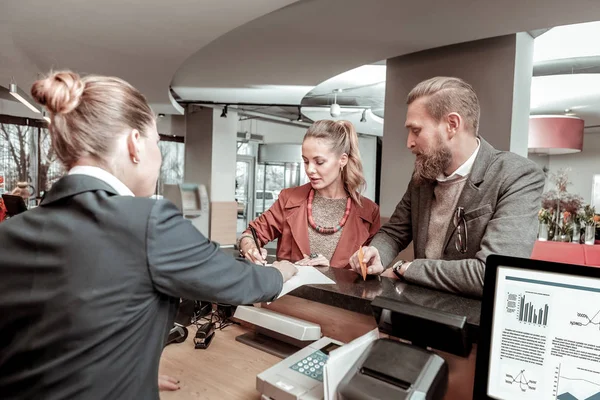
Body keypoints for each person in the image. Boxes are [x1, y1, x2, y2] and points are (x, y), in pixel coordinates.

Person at [0, 70, 297, 400]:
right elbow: (240, 282)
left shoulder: (9, 232)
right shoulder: (147, 221)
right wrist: (283, 271)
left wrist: (126, 370)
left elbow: (56, 336)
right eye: (157, 143)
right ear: (134, 144)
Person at [349, 76, 545, 297]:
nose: (409, 143)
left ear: (452, 125)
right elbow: (394, 232)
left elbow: (493, 273)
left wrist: (405, 268)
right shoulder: (424, 175)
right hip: (418, 311)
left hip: (472, 323)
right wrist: (376, 253)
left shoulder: (516, 175)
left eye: (416, 130)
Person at [239, 120, 380, 268]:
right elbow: (250, 234)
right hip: (291, 292)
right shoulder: (288, 199)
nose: (310, 170)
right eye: (306, 161)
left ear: (342, 160)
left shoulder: (369, 212)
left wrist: (330, 272)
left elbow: (370, 272)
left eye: (319, 162)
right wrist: (250, 248)